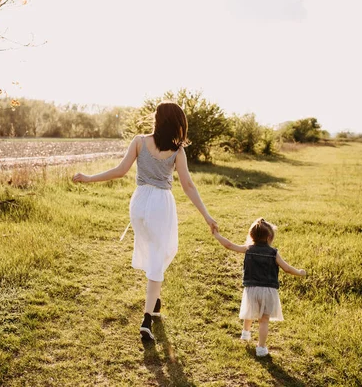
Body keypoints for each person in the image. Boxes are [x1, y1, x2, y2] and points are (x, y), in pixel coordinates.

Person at [72, 102, 218, 341]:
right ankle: (147, 318)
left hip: (139, 203)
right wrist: (207, 215)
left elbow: (120, 170)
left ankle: (155, 297)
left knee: (155, 255)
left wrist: (89, 178)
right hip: (160, 204)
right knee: (159, 258)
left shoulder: (139, 141)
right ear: (177, 124)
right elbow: (188, 186)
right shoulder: (177, 151)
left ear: (158, 120)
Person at [212, 218, 306, 357]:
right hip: (268, 290)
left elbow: (229, 245)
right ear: (269, 237)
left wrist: (217, 235)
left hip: (252, 289)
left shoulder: (248, 249)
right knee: (264, 320)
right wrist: (299, 272)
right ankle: (261, 348)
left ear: (252, 236)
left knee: (250, 311)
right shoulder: (273, 253)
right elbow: (286, 268)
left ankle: (245, 333)